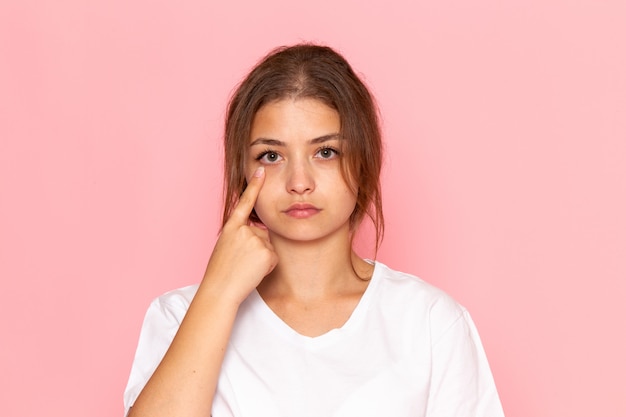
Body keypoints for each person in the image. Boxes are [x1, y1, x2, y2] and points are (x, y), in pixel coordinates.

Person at [123, 43, 505, 417]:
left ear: (363, 158)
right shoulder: (179, 317)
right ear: (241, 169)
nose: (299, 181)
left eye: (326, 152)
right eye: (271, 156)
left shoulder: (429, 322)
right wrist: (219, 294)